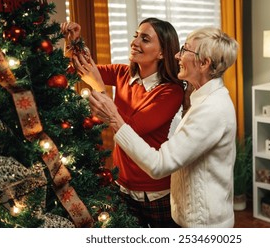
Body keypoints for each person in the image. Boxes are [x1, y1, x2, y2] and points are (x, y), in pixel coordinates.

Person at [88, 27, 239, 228]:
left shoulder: (211, 109)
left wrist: (114, 118)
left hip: (203, 226)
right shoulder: (202, 99)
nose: (177, 55)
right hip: (188, 218)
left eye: (185, 50)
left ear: (203, 63)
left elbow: (159, 165)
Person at [61, 18, 184, 228]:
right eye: (136, 35)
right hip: (122, 186)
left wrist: (99, 87)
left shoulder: (171, 91)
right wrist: (74, 42)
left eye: (145, 39)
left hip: (155, 193)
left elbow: (130, 130)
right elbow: (81, 69)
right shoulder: (123, 73)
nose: (135, 42)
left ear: (162, 52)